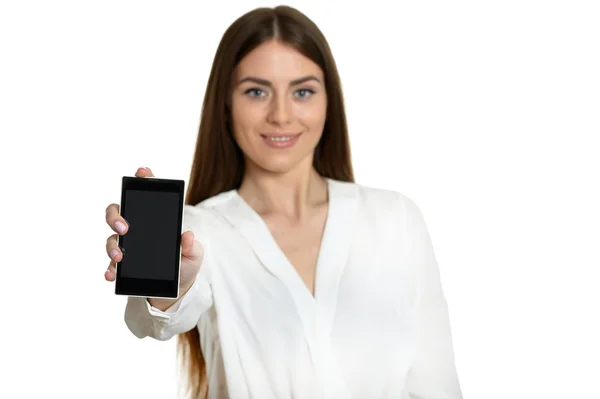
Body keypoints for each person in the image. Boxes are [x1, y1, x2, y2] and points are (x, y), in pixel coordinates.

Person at [104, 5, 462, 399]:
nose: (280, 114)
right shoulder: (199, 231)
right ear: (225, 103)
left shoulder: (395, 219)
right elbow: (154, 321)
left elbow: (436, 382)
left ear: (329, 100)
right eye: (256, 91)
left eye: (302, 91)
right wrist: (167, 276)